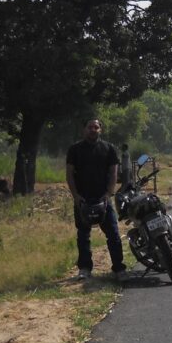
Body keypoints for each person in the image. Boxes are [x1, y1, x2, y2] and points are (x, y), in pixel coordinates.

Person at [66, 119, 127, 281]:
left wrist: (108, 193)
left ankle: (119, 269)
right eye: (89, 127)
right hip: (83, 199)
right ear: (84, 129)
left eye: (96, 127)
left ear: (101, 130)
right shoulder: (74, 149)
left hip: (103, 199)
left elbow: (113, 173)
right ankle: (85, 269)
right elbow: (69, 174)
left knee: (113, 234)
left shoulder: (109, 149)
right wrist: (76, 196)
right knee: (83, 235)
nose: (93, 130)